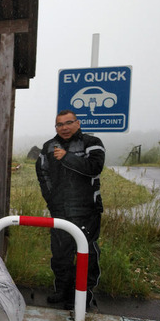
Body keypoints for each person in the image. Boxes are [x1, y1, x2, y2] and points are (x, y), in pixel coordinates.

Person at [36, 109, 104, 309]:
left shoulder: (92, 142)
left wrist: (66, 157)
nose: (64, 128)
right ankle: (62, 291)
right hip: (59, 211)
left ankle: (83, 295)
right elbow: (42, 174)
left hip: (87, 210)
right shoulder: (48, 147)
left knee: (87, 254)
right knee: (60, 253)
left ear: (78, 123)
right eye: (60, 124)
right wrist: (51, 200)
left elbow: (95, 168)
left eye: (68, 123)